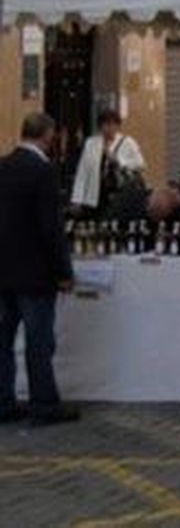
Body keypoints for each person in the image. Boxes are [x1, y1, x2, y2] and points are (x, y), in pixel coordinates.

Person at [0, 113, 77, 426]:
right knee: (38, 341)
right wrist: (63, 271)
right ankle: (43, 404)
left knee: (2, 342)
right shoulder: (43, 172)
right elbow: (50, 228)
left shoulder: (2, 167)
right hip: (35, 275)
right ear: (47, 135)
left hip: (2, 274)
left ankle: (3, 403)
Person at [69, 108, 146, 217]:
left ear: (118, 126)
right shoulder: (91, 143)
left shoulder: (128, 142)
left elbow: (141, 164)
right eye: (105, 124)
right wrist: (77, 199)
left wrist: (119, 161)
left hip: (118, 192)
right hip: (94, 195)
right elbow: (82, 172)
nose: (109, 128)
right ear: (100, 126)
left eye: (113, 124)